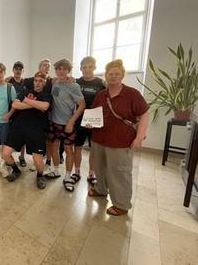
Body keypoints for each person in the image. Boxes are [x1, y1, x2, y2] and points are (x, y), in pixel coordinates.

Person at [88, 59, 149, 216]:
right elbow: (94, 114)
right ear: (106, 76)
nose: (113, 76)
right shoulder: (101, 95)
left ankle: (121, 204)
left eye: (117, 74)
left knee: (119, 172)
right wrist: (89, 123)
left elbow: (144, 114)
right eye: (110, 74)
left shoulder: (132, 94)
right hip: (99, 139)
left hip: (121, 142)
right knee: (100, 168)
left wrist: (140, 137)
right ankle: (101, 189)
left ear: (122, 75)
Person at [2, 72, 52, 189]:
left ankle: (40, 176)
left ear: (44, 83)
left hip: (36, 129)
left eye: (41, 81)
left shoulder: (46, 95)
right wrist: (36, 105)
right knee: (5, 154)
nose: (38, 83)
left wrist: (26, 101)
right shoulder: (26, 91)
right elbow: (15, 104)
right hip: (19, 127)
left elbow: (45, 106)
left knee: (37, 160)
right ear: (33, 81)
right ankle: (16, 170)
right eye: (36, 80)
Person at [46, 59, 85, 192]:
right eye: (58, 69)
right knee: (54, 148)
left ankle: (68, 176)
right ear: (55, 70)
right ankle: (56, 170)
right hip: (53, 122)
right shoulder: (54, 82)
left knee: (69, 151)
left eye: (64, 69)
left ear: (68, 70)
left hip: (67, 124)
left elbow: (82, 105)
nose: (61, 71)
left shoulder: (74, 86)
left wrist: (71, 121)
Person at [73, 57, 105, 185]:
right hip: (79, 118)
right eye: (84, 67)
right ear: (80, 69)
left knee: (94, 149)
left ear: (94, 68)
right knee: (78, 147)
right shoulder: (76, 82)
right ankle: (77, 172)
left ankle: (92, 174)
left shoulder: (101, 84)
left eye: (90, 67)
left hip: (95, 119)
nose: (87, 69)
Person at [6, 61, 27, 167]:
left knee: (23, 136)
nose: (18, 71)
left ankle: (22, 157)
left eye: (20, 69)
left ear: (22, 71)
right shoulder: (8, 81)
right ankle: (8, 157)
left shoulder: (26, 82)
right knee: (9, 135)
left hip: (23, 113)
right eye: (16, 69)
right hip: (11, 112)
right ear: (13, 70)